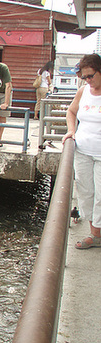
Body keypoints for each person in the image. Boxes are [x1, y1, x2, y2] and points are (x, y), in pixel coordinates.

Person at [62, 53, 101, 249]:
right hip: (83, 150)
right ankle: (95, 233)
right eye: (84, 77)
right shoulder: (83, 91)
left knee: (100, 194)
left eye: (90, 76)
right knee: (86, 191)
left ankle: (96, 234)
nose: (87, 80)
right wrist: (71, 130)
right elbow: (71, 111)